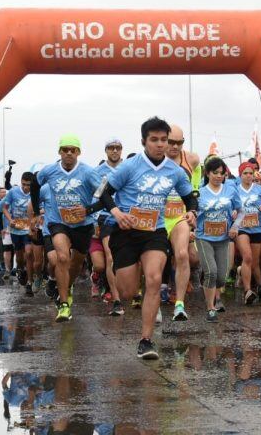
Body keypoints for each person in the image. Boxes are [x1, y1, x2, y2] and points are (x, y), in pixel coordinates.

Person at [96, 117, 197, 359]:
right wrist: (118, 213)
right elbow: (104, 193)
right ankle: (132, 295)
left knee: (153, 279)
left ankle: (146, 341)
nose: (161, 144)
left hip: (155, 231)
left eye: (164, 140)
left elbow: (189, 195)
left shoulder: (174, 170)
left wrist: (192, 211)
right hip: (126, 232)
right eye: (155, 140)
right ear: (144, 141)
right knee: (129, 291)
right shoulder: (130, 166)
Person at [31, 135, 103, 322]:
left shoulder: (88, 172)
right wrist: (35, 212)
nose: (69, 153)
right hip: (58, 221)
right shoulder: (49, 170)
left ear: (79, 152)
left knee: (76, 263)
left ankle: (67, 287)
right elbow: (34, 184)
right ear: (59, 152)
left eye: (73, 150)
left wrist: (88, 209)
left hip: (83, 224)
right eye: (65, 150)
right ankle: (63, 304)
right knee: (62, 257)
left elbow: (106, 194)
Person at [196, 157, 243, 321]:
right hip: (203, 237)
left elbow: (241, 211)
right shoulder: (199, 193)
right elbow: (191, 213)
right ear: (207, 173)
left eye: (222, 173)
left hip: (223, 238)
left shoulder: (230, 190)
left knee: (222, 277)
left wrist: (235, 227)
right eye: (215, 173)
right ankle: (211, 308)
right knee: (211, 272)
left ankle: (212, 292)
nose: (218, 176)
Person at [163, 124, 201, 321]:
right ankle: (155, 293)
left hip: (180, 215)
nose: (175, 147)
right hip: (159, 217)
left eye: (180, 143)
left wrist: (192, 211)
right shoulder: (155, 160)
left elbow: (195, 189)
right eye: (171, 142)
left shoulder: (192, 159)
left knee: (183, 254)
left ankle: (179, 303)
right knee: (158, 259)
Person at [235, 161, 261, 304]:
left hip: (257, 229)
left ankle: (259, 285)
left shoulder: (260, 190)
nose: (248, 176)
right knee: (247, 257)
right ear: (240, 175)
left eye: (250, 173)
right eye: (245, 173)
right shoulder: (235, 190)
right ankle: (247, 291)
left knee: (255, 262)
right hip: (241, 228)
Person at [94, 138, 125, 315]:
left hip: (127, 217)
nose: (114, 151)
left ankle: (133, 293)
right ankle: (117, 300)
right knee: (110, 257)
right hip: (106, 217)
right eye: (111, 148)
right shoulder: (98, 171)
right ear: (105, 150)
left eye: (118, 148)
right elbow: (94, 196)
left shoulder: (128, 168)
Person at [3, 172, 36, 295]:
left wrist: (36, 215)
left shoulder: (35, 193)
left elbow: (41, 208)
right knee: (20, 257)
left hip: (28, 228)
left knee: (29, 252)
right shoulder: (13, 192)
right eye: (23, 184)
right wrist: (10, 219)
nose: (26, 187)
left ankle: (30, 282)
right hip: (15, 228)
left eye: (28, 185)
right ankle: (21, 269)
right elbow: (4, 208)